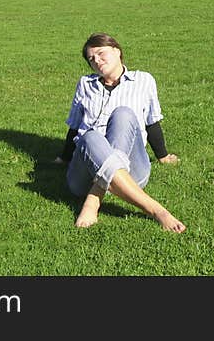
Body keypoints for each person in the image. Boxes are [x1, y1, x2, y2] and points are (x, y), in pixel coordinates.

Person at [55, 32, 185, 232]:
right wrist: (64, 158)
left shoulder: (143, 80)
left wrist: (163, 155)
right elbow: (75, 127)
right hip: (84, 175)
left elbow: (151, 123)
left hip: (132, 172)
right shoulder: (85, 84)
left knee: (123, 114)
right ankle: (157, 210)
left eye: (101, 53)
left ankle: (93, 200)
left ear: (117, 51)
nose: (97, 61)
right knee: (89, 136)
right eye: (91, 59)